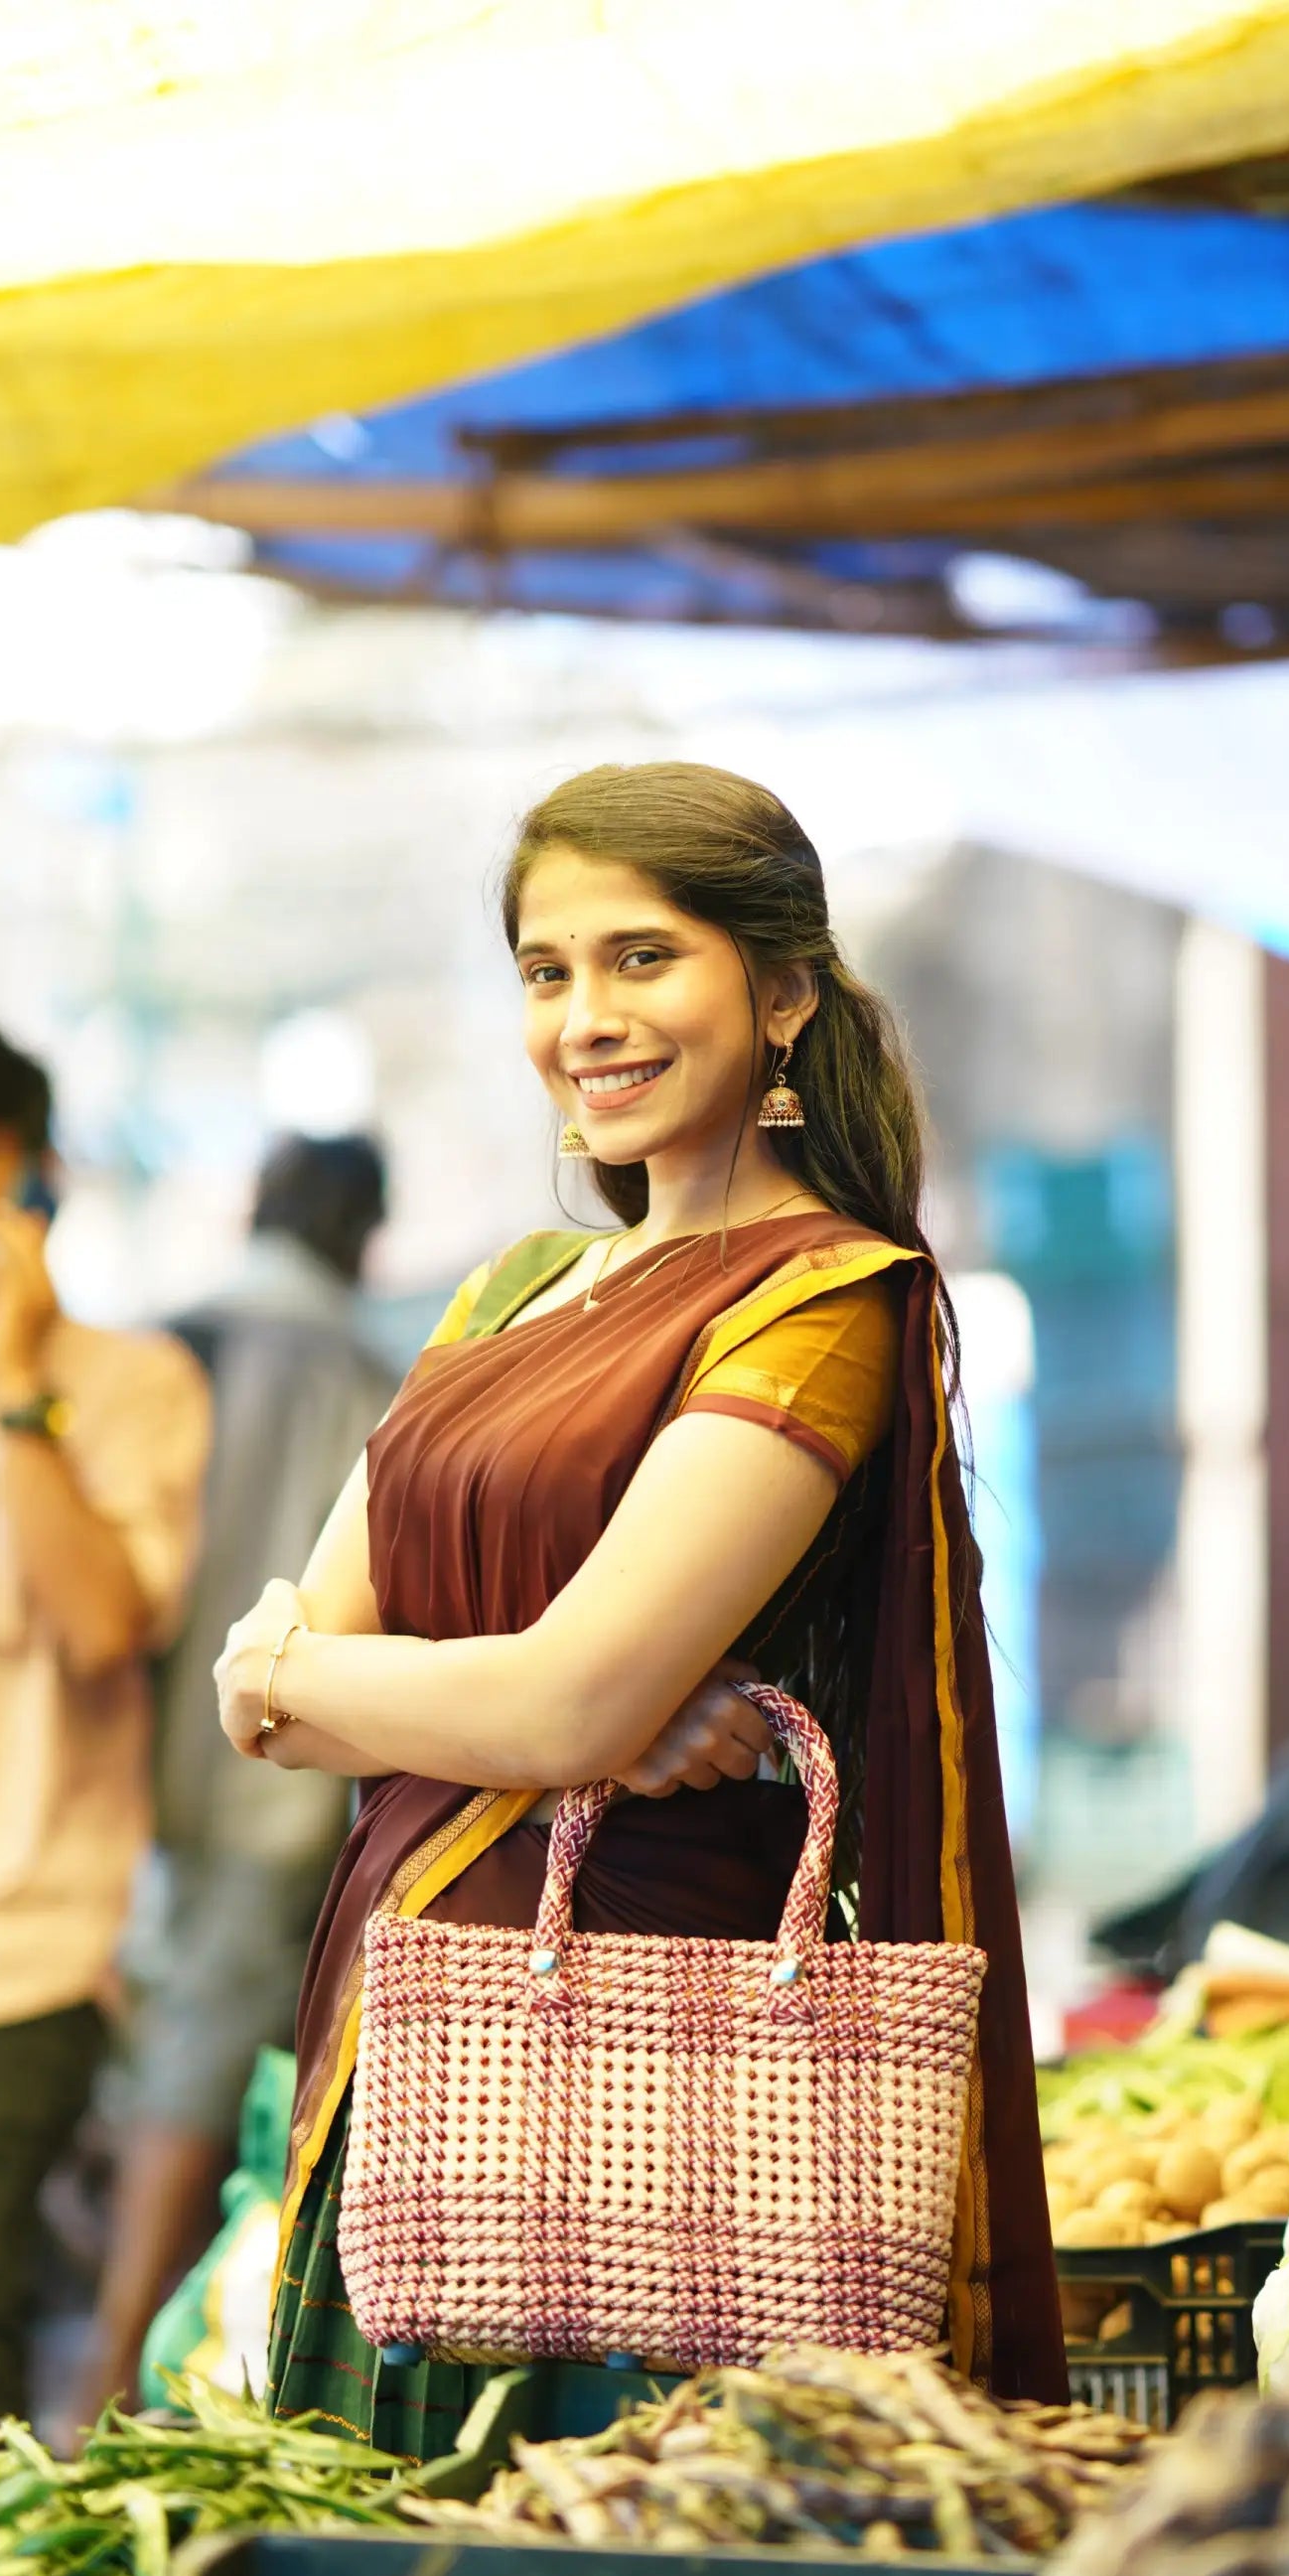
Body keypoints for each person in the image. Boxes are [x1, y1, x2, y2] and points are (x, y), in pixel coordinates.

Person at [214, 760, 1067, 2446]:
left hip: (638, 2094)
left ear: (785, 988)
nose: (585, 1016)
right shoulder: (512, 1291)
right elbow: (265, 1694)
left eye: (641, 958)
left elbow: (499, 1701)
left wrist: (378, 1679)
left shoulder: (820, 1298)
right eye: (547, 971)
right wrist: (500, 1690)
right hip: (416, 2048)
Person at [0, 1023, 209, 2446]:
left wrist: (19, 1382)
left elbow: (101, 1626)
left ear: (38, 1176)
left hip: (6, 1951)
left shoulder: (126, 1385)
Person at [75, 1133, 395, 2415]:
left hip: (112, 1771)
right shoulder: (364, 1372)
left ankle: (124, 2371)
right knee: (206, 2079)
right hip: (273, 1776)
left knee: (158, 2060)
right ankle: (112, 2390)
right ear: (359, 1234)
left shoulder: (162, 1345)